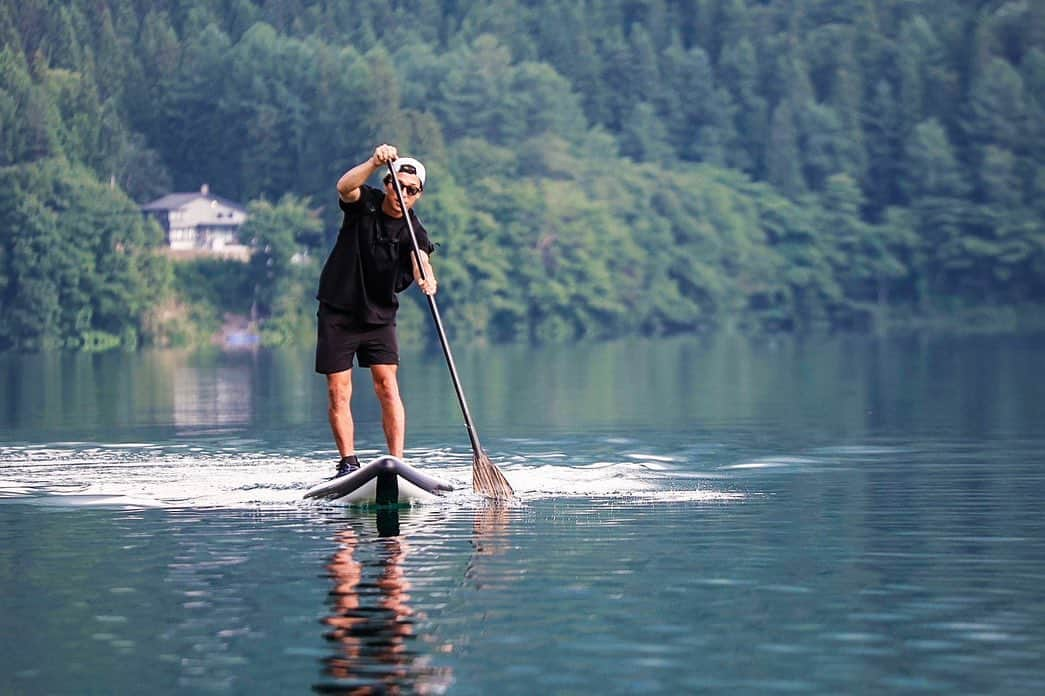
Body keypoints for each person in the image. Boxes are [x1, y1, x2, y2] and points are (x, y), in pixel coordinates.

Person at [315, 144, 437, 478]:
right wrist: (372, 161)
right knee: (339, 389)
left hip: (379, 316)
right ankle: (347, 463)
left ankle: (397, 462)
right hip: (338, 310)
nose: (402, 194)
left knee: (387, 386)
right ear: (387, 184)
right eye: (397, 186)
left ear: (418, 195)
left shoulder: (414, 229)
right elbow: (344, 187)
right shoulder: (364, 203)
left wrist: (427, 277)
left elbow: (420, 258)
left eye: (411, 190)